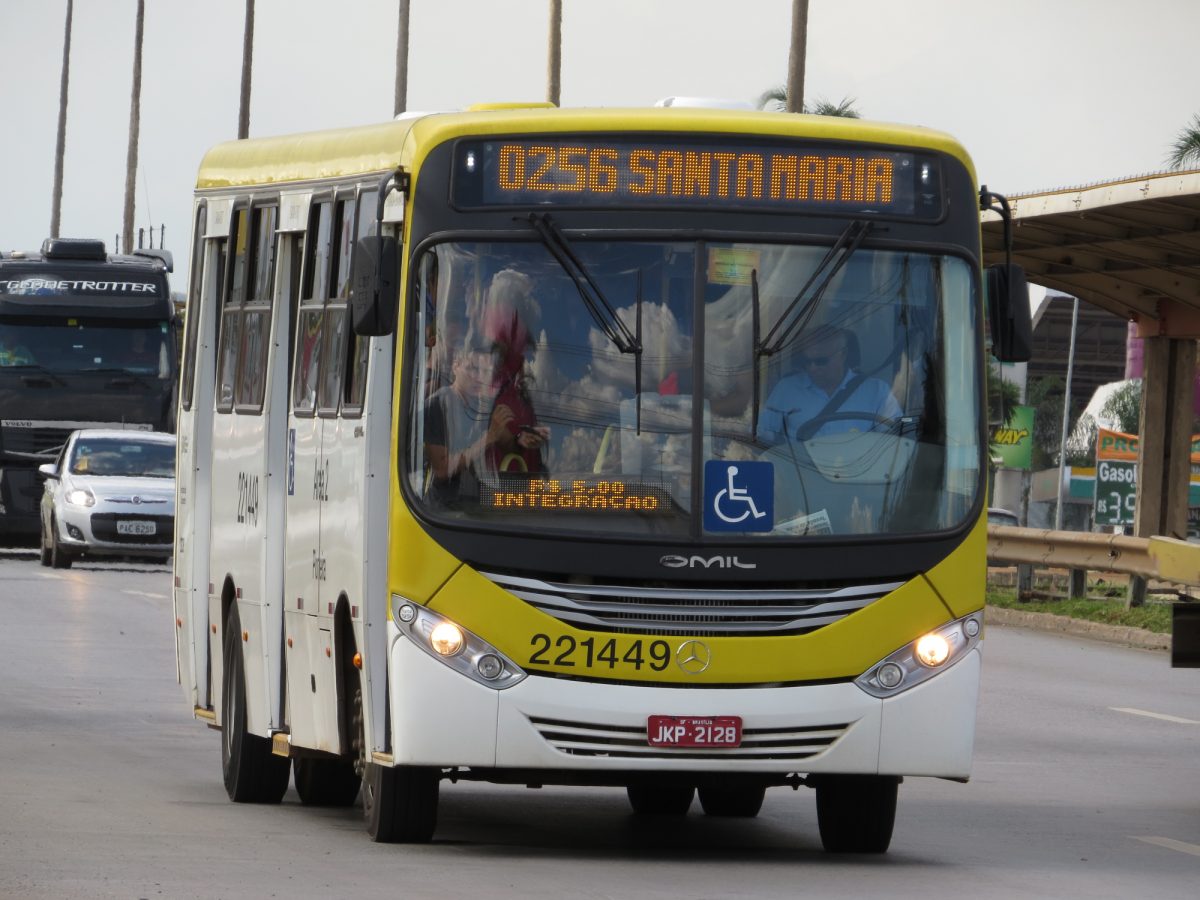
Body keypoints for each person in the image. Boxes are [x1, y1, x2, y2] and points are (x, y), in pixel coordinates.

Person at [757, 324, 901, 445]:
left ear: (843, 355)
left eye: (821, 361)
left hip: (857, 473)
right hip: (799, 473)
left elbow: (894, 440)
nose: (812, 368)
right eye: (807, 361)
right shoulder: (787, 389)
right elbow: (764, 435)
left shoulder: (877, 391)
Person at [424, 343, 522, 505]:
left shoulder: (481, 407)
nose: (478, 377)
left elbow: (508, 445)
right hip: (443, 510)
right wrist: (489, 438)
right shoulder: (437, 405)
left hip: (476, 503)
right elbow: (441, 468)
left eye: (484, 372)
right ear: (455, 366)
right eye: (472, 369)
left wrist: (519, 439)